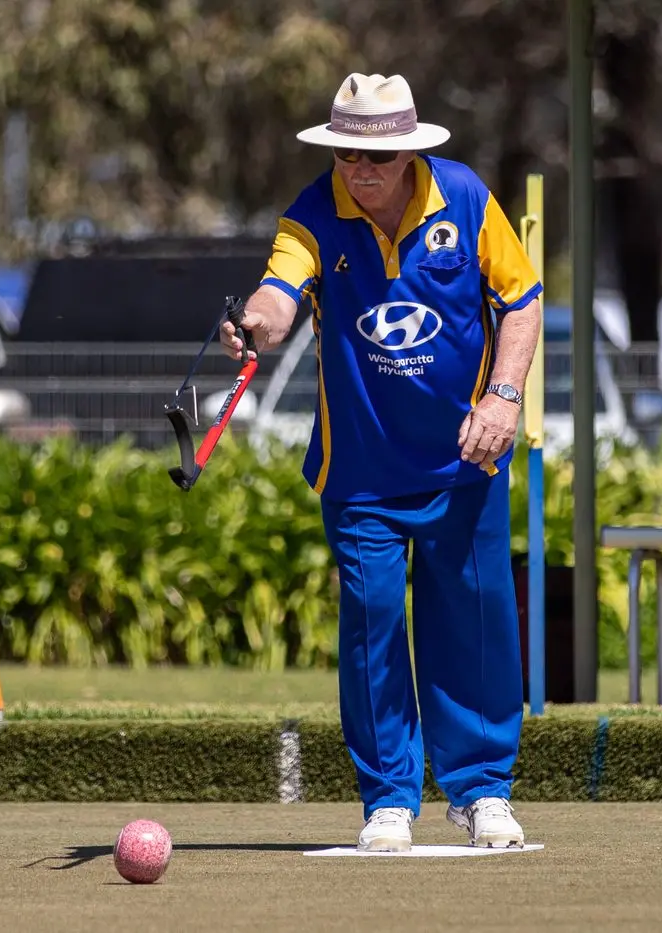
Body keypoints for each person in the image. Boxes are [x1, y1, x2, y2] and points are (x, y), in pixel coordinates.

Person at [221, 72, 542, 850]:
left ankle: (481, 790)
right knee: (370, 625)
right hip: (360, 469)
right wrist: (254, 323)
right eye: (346, 154)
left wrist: (503, 397)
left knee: (472, 625)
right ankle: (388, 799)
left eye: (377, 156)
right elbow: (277, 293)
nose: (360, 170)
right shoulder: (310, 214)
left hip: (465, 458)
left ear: (408, 153)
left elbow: (522, 300)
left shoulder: (465, 198)